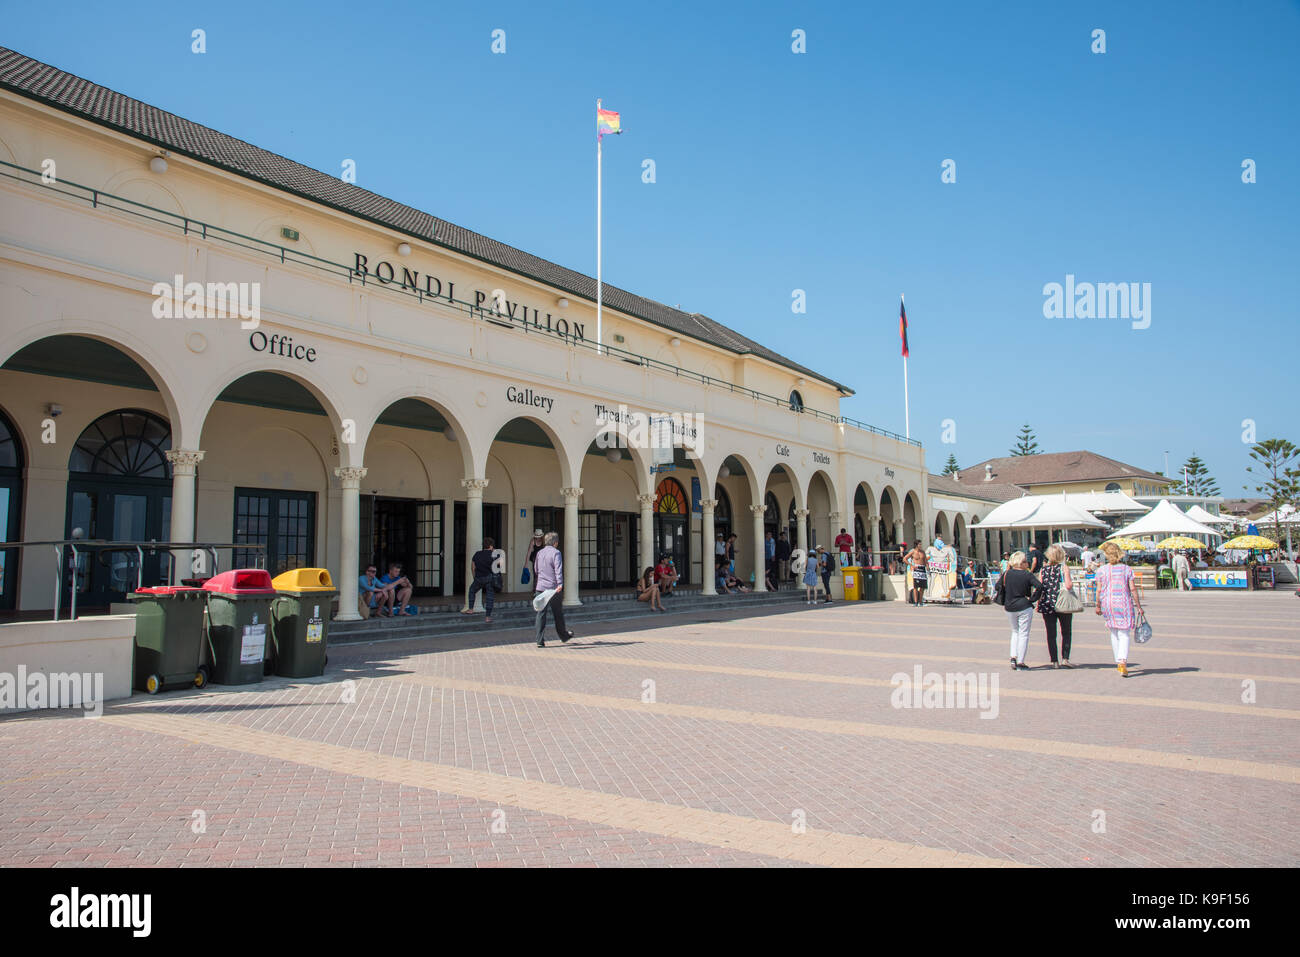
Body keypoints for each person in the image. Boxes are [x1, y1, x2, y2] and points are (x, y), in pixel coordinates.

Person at [1095, 541, 1142, 676]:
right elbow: (1132, 588)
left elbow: (1098, 590)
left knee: (1114, 632)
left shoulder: (1101, 570)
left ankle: (1118, 661)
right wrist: (1138, 606)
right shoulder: (1126, 569)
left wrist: (1097, 605)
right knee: (1124, 633)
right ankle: (1122, 661)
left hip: (1108, 603)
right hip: (1123, 602)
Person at [1037, 544, 1076, 668]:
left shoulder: (1043, 570)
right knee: (1066, 631)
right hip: (1062, 602)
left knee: (1051, 633)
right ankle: (1065, 658)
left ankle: (1054, 661)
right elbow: (1068, 585)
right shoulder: (1063, 568)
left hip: (1047, 603)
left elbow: (1040, 586)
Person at [533, 531, 573, 647]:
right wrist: (560, 583)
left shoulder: (539, 553)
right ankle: (563, 636)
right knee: (558, 614)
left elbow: (535, 569)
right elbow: (558, 569)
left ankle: (539, 640)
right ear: (555, 543)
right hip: (553, 588)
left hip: (540, 587)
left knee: (541, 614)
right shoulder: (556, 553)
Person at [1002, 551, 1041, 670]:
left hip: (1009, 606)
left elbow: (998, 586)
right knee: (1023, 634)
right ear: (1021, 562)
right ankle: (1021, 661)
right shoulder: (1027, 574)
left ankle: (1013, 657)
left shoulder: (1007, 573)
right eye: (1025, 561)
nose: (1027, 563)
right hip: (1024, 605)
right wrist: (1033, 599)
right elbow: (1039, 586)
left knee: (1015, 631)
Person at [463, 537, 498, 623]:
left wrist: (475, 577)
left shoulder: (477, 554)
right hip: (489, 578)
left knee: (472, 590)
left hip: (479, 577)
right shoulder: (494, 555)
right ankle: (487, 617)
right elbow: (497, 568)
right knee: (490, 597)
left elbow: (473, 567)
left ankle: (470, 609)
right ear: (490, 546)